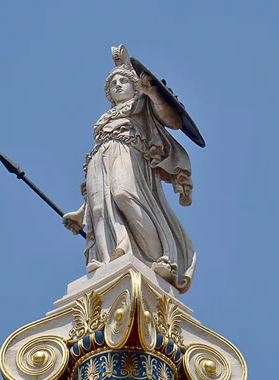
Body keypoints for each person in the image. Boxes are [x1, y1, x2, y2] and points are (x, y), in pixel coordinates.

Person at [63, 45, 196, 293]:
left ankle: (161, 259)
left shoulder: (142, 105)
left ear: (135, 86)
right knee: (100, 207)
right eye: (113, 83)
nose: (118, 85)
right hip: (99, 157)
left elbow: (173, 121)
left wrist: (153, 93)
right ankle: (105, 257)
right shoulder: (105, 118)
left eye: (124, 80)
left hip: (128, 151)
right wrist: (81, 213)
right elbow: (96, 197)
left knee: (124, 194)